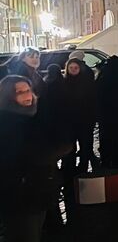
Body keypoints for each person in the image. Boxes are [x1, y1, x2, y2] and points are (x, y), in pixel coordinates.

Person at [0, 76, 72, 242]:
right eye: (20, 92)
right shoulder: (8, 123)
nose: (27, 95)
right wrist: (59, 148)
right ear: (7, 96)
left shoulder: (35, 116)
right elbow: (32, 155)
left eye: (28, 90)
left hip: (38, 193)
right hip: (19, 197)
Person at [61, 53, 99, 174]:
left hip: (85, 121)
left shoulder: (86, 82)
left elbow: (92, 101)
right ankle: (70, 170)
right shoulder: (64, 83)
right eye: (71, 68)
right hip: (70, 122)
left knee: (85, 146)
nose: (73, 70)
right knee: (71, 147)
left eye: (75, 68)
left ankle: (83, 168)